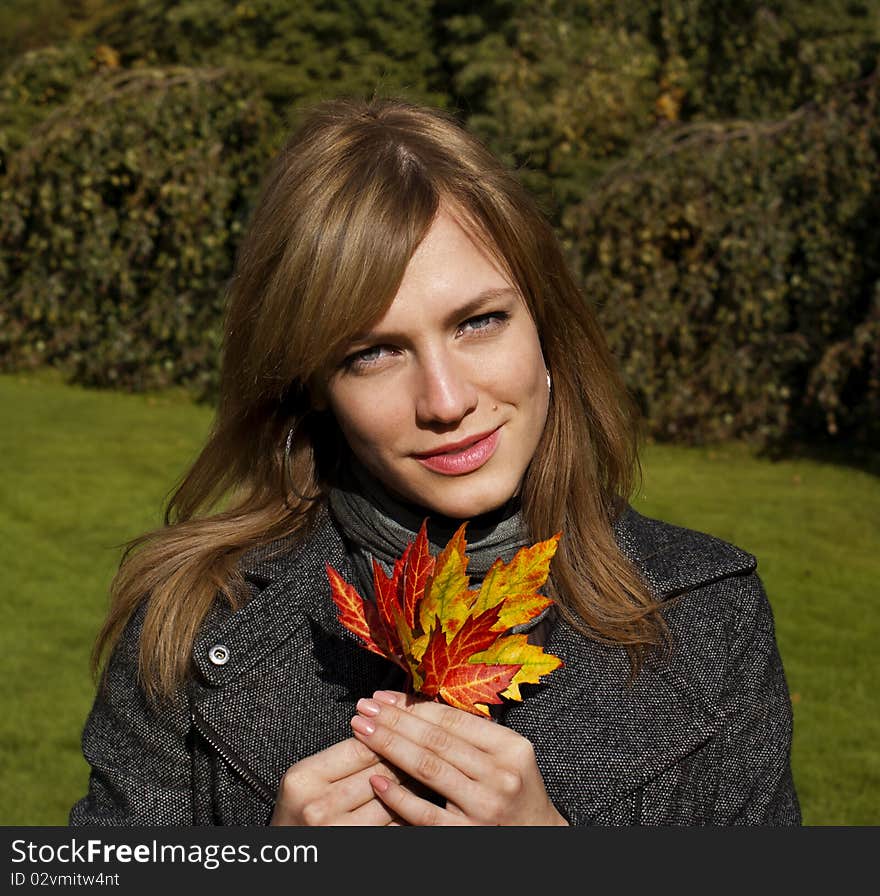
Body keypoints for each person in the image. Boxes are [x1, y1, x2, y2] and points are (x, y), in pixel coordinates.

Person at [70, 97, 800, 826]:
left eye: (478, 322)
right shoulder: (192, 623)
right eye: (373, 353)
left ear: (546, 324)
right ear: (314, 386)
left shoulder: (709, 616)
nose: (445, 401)